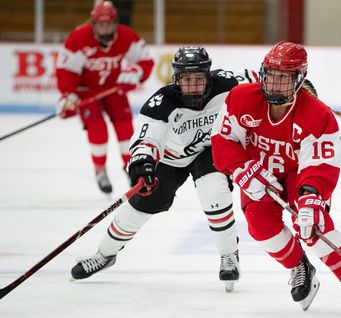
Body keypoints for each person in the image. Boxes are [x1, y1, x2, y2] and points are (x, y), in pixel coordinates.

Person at [210, 41, 341, 314]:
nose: (275, 84)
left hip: (298, 176)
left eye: (284, 78)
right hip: (257, 173)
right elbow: (223, 139)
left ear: (299, 79)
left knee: (313, 224)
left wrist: (311, 198)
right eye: (271, 75)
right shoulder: (240, 98)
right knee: (260, 227)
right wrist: (241, 169)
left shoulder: (319, 115)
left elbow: (319, 165)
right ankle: (299, 266)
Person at [71, 46, 258, 292]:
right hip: (172, 159)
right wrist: (143, 162)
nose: (193, 86)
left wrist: (301, 91)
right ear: (176, 79)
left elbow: (265, 81)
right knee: (137, 208)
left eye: (199, 79)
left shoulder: (228, 82)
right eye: (187, 79)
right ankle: (105, 254)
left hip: (212, 150)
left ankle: (228, 255)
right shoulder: (161, 102)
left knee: (213, 191)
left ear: (208, 76)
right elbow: (147, 137)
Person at [56, 1, 154, 194]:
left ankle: (130, 168)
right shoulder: (78, 38)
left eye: (108, 23)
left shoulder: (126, 36)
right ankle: (100, 170)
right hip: (85, 91)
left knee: (125, 126)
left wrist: (138, 71)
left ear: (115, 22)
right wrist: (68, 94)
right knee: (97, 128)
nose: (105, 28)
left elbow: (146, 59)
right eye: (101, 24)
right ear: (93, 23)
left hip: (112, 88)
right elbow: (66, 70)